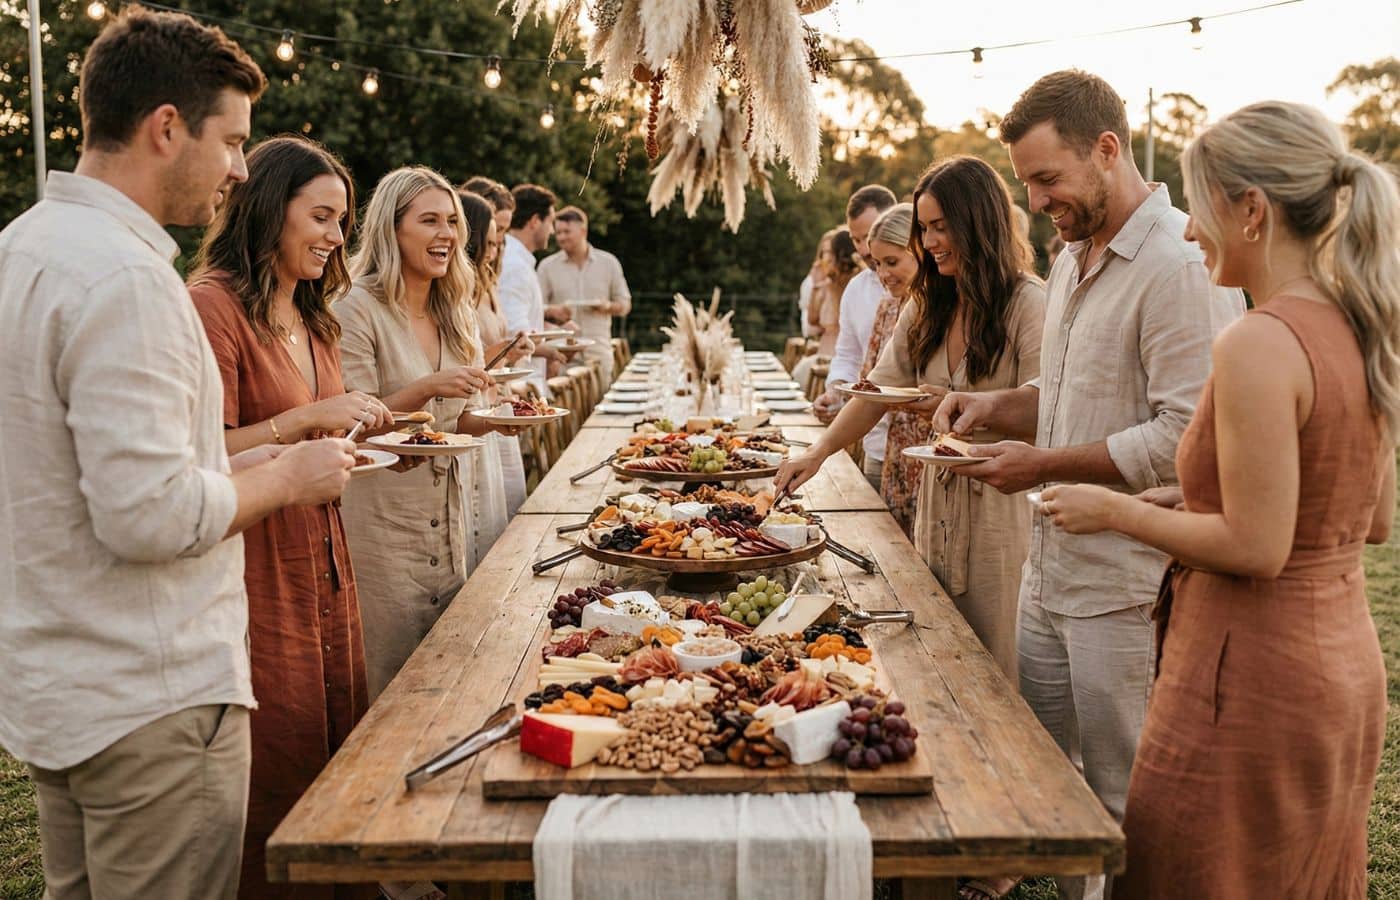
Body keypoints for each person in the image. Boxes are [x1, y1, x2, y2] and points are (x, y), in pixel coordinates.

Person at [0, 10, 356, 899]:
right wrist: (287, 473)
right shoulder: (127, 280)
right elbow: (148, 514)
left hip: (58, 686)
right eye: (231, 140)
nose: (240, 167)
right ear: (167, 127)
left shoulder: (20, 249)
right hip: (152, 698)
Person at [1041, 101, 1398, 900]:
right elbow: (1364, 522)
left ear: (1251, 211)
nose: (1192, 232)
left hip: (1249, 674)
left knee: (1189, 872)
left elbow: (1260, 549)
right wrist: (1187, 495)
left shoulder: (1257, 341)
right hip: (1342, 668)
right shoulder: (1364, 324)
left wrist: (1119, 511)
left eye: (1200, 208)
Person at [932, 70, 1245, 900]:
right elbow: (1071, 401)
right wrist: (1001, 407)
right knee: (1055, 789)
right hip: (1049, 569)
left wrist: (1043, 466)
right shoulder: (1073, 255)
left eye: (1046, 178)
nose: (1035, 200)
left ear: (1108, 150)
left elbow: (1187, 439)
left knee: (1122, 798)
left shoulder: (1180, 265)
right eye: (1028, 181)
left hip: (1124, 583)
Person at [188, 135, 390, 900]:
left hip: (331, 556)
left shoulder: (316, 316)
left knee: (339, 736)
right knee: (279, 749)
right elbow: (198, 447)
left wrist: (357, 435)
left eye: (343, 221)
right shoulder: (213, 306)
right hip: (258, 562)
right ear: (271, 210)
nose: (337, 238)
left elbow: (318, 432)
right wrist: (308, 417)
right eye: (323, 217)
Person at [778, 160, 1044, 686]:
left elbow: (1049, 405)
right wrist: (818, 452)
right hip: (936, 503)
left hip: (1000, 514)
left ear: (979, 222)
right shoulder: (927, 305)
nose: (932, 240)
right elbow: (877, 391)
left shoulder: (1027, 301)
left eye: (942, 226)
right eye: (924, 228)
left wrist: (969, 403)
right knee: (938, 657)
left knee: (994, 673)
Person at [338, 166, 516, 700]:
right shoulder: (354, 307)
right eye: (429, 221)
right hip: (384, 523)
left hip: (450, 513)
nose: (447, 234)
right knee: (389, 680)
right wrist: (426, 387)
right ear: (392, 230)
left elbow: (456, 423)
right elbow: (352, 423)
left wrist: (501, 419)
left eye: (453, 222)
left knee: (446, 675)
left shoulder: (454, 306)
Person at [812, 185, 899, 490]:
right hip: (874, 445)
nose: (863, 250)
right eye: (856, 239)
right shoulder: (857, 289)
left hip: (916, 448)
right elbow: (847, 355)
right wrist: (835, 391)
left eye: (868, 237)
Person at [459, 187, 533, 515]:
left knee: (511, 501)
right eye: (493, 238)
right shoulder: (461, 293)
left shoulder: (487, 280)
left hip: (496, 403)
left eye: (500, 235)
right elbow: (466, 364)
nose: (498, 246)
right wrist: (501, 353)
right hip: (476, 414)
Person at [536, 205, 633, 387]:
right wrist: (552, 311)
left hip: (598, 354)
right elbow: (535, 309)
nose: (561, 237)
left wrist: (607, 307)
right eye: (558, 232)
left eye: (566, 231)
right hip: (562, 355)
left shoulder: (609, 263)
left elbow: (625, 304)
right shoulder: (547, 266)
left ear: (583, 231)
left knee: (602, 411)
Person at [498, 183, 566, 394]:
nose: (553, 231)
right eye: (551, 222)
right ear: (535, 221)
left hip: (527, 382)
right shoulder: (514, 265)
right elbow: (515, 333)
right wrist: (552, 352)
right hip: (521, 388)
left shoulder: (520, 261)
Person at [793, 227, 861, 391]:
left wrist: (830, 287)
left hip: (837, 358)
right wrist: (816, 285)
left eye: (830, 252)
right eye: (823, 252)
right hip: (823, 354)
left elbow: (841, 318)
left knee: (800, 373)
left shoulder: (852, 283)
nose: (826, 257)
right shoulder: (824, 286)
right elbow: (812, 320)